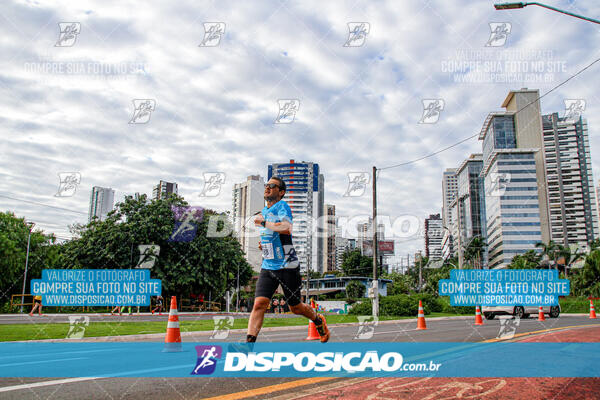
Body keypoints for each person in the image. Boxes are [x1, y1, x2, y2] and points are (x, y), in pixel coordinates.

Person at [245, 176, 330, 343]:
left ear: (281, 192)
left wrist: (263, 223)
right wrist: (265, 245)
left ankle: (318, 319)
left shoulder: (282, 206)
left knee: (295, 307)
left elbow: (286, 228)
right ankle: (247, 347)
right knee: (259, 304)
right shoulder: (264, 212)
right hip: (269, 265)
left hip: (287, 264)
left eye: (272, 186)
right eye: (266, 185)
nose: (267, 187)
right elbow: (271, 234)